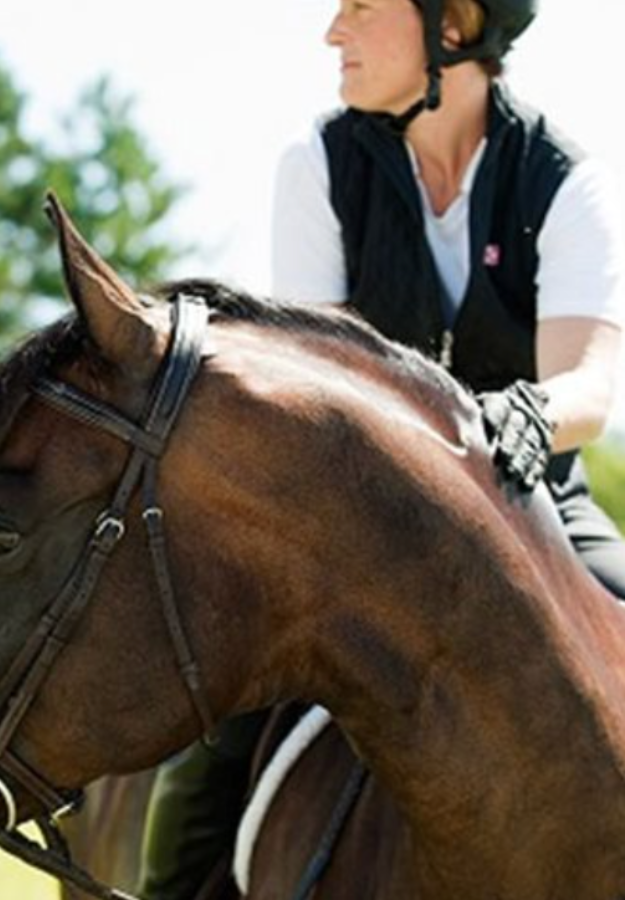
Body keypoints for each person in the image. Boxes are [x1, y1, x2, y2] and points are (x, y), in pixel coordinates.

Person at [138, 2, 625, 897]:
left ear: (455, 24)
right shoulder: (318, 166)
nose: (334, 31)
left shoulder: (564, 180)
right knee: (217, 730)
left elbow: (588, 386)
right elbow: (321, 384)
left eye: (362, 5)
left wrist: (522, 416)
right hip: (361, 528)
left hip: (540, 508)